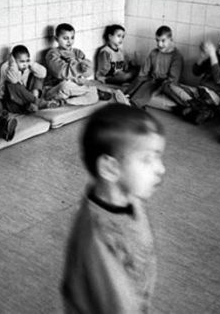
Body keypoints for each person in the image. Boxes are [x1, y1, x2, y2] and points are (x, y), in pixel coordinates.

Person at [61, 104, 166, 313]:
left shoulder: (131, 199)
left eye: (158, 157)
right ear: (110, 168)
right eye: (147, 159)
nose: (161, 169)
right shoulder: (96, 239)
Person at [164, 30, 220, 124]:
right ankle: (198, 108)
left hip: (213, 96)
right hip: (200, 92)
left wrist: (212, 55)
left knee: (185, 108)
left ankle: (194, 108)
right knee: (167, 85)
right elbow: (196, 72)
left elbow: (219, 79)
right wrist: (202, 56)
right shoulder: (216, 54)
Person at [124, 25, 184, 109]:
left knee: (149, 87)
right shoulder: (154, 53)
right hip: (152, 79)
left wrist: (158, 88)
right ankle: (125, 97)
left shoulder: (176, 56)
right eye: (157, 40)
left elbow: (173, 80)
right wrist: (138, 82)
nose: (159, 44)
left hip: (164, 83)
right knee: (139, 80)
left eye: (163, 41)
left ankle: (134, 105)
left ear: (171, 39)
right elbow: (143, 72)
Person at [44, 23, 101, 106]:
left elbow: (86, 74)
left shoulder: (77, 52)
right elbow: (60, 72)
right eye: (65, 38)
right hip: (56, 87)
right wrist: (78, 68)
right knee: (65, 86)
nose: (69, 41)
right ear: (56, 39)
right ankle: (54, 98)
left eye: (72, 38)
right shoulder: (52, 54)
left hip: (75, 86)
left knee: (93, 91)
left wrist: (86, 69)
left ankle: (66, 102)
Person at [0, 45, 60, 113]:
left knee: (37, 75)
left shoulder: (27, 66)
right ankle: (38, 103)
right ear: (14, 59)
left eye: (27, 61)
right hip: (10, 100)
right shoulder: (6, 67)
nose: (25, 64)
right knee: (12, 84)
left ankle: (33, 104)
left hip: (24, 97)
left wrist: (30, 63)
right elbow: (14, 81)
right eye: (22, 61)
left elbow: (43, 73)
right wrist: (12, 63)